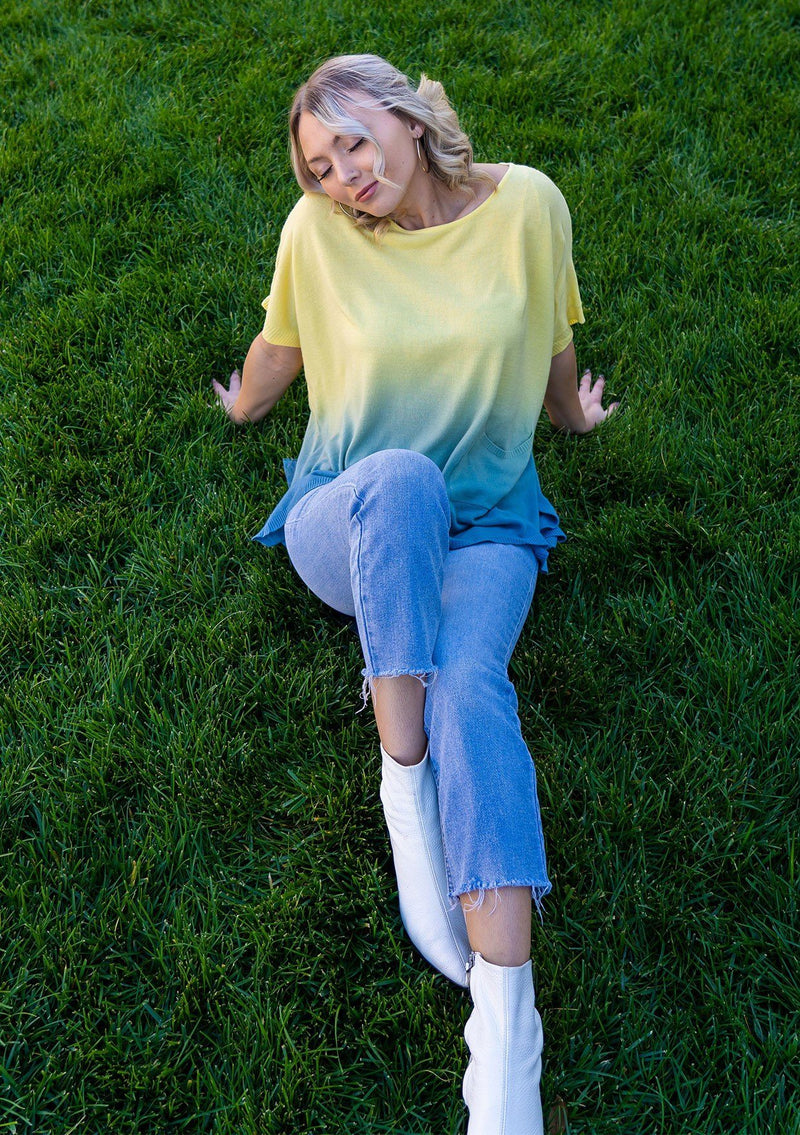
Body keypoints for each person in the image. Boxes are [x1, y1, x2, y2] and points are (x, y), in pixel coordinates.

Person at [213, 53, 617, 1135]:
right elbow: (277, 344)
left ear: (403, 113)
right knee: (399, 478)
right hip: (349, 522)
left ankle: (502, 1034)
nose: (344, 176)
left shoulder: (526, 203)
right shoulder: (319, 239)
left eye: (352, 142)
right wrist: (244, 403)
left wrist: (571, 418)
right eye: (318, 166)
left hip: (487, 524)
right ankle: (405, 792)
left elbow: (546, 327)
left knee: (474, 686)